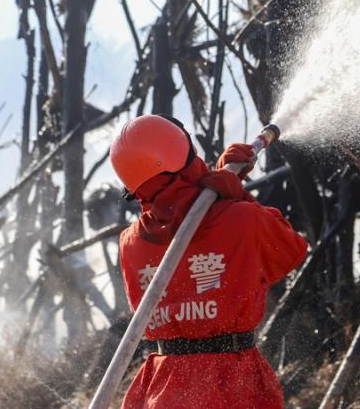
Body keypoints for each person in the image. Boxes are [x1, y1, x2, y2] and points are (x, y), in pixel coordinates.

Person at [109, 114, 308, 409]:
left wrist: (214, 191)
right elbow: (290, 250)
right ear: (186, 156)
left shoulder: (130, 244)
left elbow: (183, 223)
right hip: (233, 383)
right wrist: (235, 193)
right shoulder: (242, 218)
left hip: (163, 387)